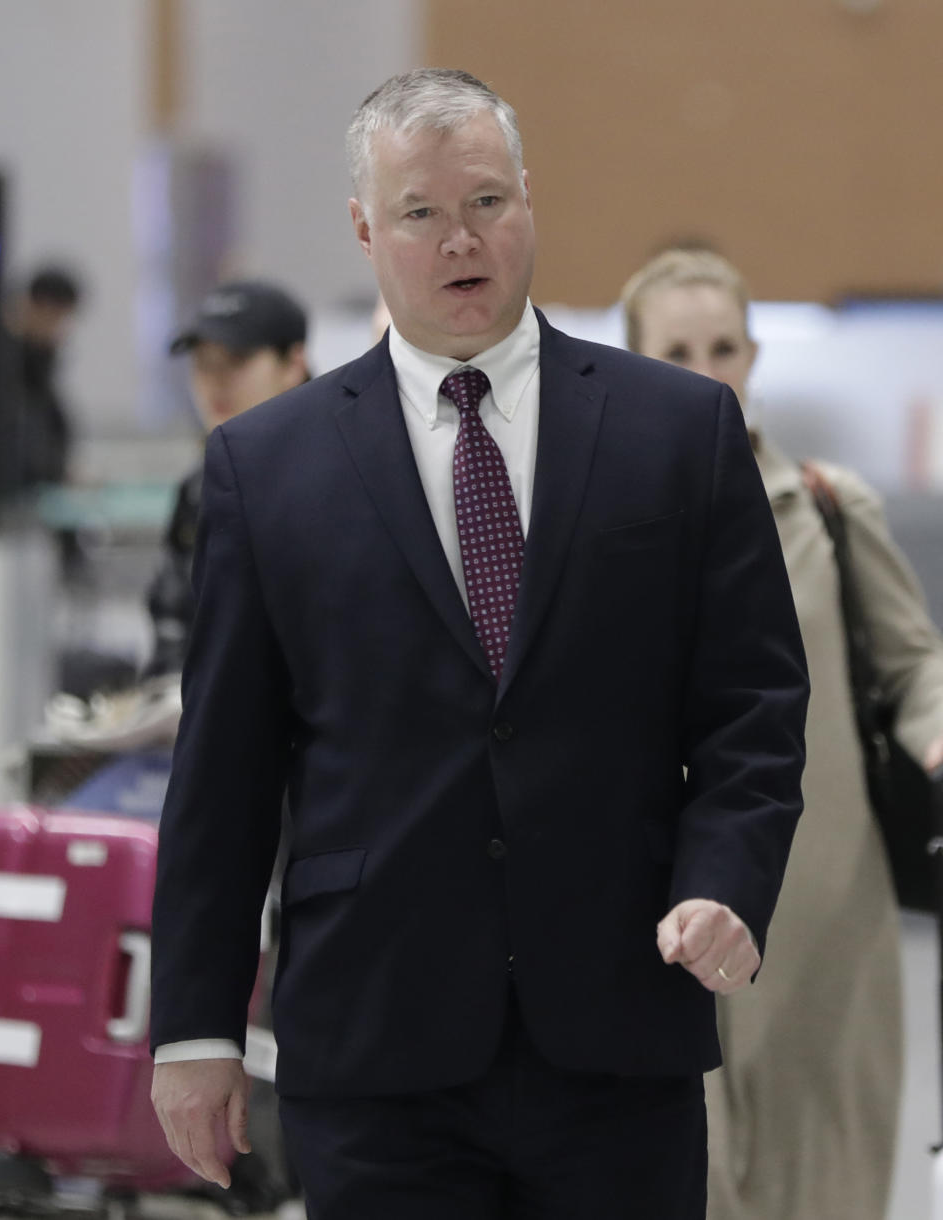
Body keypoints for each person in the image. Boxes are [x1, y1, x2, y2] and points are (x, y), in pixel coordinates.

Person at [149, 69, 809, 1220]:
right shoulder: (267, 468)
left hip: (618, 1025)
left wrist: (729, 883)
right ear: (365, 226)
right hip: (376, 1039)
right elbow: (225, 775)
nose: (464, 240)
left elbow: (753, 704)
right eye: (421, 213)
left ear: (530, 200)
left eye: (489, 203)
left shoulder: (678, 433)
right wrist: (196, 1024)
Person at [621, 246, 943, 1220]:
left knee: (826, 1178)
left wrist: (936, 730)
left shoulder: (829, 508)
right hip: (656, 911)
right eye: (677, 348)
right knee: (676, 1171)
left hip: (821, 911)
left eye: (724, 344)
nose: (707, 366)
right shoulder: (593, 525)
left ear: (755, 353)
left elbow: (910, 661)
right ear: (635, 360)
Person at [144, 280, 310, 678]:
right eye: (202, 363)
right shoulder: (199, 486)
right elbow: (172, 618)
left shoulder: (341, 476)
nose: (214, 381)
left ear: (293, 364)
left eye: (236, 360)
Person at [1, 265, 83, 491]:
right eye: (58, 318)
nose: (61, 331)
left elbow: (55, 426)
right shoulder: (2, 361)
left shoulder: (38, 361)